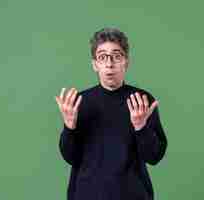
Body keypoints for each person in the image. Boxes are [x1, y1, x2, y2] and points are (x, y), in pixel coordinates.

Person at [55, 27, 168, 200]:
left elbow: (154, 157)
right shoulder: (79, 103)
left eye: (116, 56)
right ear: (95, 64)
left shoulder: (142, 101)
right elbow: (70, 157)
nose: (109, 64)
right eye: (102, 57)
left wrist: (141, 127)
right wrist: (69, 127)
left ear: (126, 62)